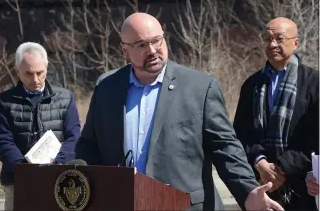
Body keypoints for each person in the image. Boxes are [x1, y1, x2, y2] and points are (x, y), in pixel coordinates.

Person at [75, 12, 283, 211]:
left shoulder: (200, 88)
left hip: (183, 205)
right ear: (124, 51)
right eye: (141, 45)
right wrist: (74, 174)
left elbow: (226, 149)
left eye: (157, 40)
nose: (153, 50)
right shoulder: (106, 87)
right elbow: (89, 144)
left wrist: (248, 192)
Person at [234, 17, 319, 210]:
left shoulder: (314, 83)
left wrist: (282, 167)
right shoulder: (252, 85)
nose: (272, 44)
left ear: (295, 43)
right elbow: (240, 133)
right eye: (267, 39)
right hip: (262, 187)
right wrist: (260, 162)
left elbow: (316, 137)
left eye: (279, 39)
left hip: (305, 189)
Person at [0, 42, 81, 210]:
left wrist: (58, 164)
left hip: (59, 178)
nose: (35, 79)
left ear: (46, 68)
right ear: (17, 70)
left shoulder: (65, 98)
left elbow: (74, 137)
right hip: (17, 180)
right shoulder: (5, 102)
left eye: (40, 73)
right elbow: (3, 141)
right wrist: (23, 168)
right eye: (28, 73)